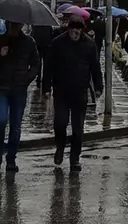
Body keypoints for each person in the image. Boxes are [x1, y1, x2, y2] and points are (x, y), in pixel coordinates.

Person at [43, 15, 103, 171]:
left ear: (82, 29)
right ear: (68, 28)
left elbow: (95, 67)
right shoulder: (58, 43)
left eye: (78, 28)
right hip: (61, 91)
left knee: (78, 128)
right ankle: (60, 148)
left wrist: (98, 87)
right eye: (72, 28)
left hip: (80, 91)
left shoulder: (89, 45)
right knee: (60, 123)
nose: (75, 31)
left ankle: (75, 158)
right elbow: (49, 66)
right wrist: (46, 88)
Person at [0, 21, 39, 172]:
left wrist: (27, 79)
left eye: (17, 23)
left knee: (15, 125)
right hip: (1, 88)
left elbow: (36, 63)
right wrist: (0, 55)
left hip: (19, 89)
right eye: (11, 23)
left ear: (22, 24)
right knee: (1, 120)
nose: (14, 26)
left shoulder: (28, 42)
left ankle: (11, 159)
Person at [31, 23, 53, 98]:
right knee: (46, 64)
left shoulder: (35, 22)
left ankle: (38, 79)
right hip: (47, 43)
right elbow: (51, 32)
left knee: (39, 62)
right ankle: (45, 84)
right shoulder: (47, 22)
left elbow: (33, 31)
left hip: (38, 42)